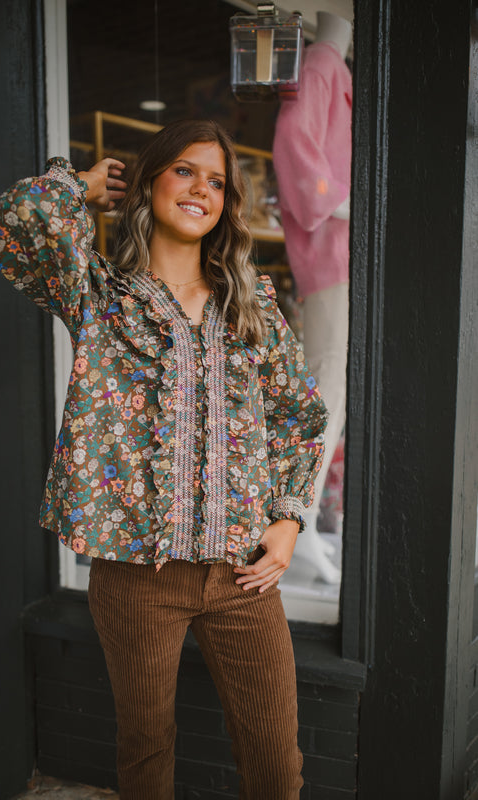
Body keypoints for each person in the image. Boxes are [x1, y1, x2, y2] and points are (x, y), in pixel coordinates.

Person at [0, 119, 327, 800]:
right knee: (144, 750)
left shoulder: (250, 308)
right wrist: (73, 185)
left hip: (242, 576)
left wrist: (285, 520)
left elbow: (299, 420)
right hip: (135, 580)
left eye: (217, 181)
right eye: (184, 170)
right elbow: (7, 230)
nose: (202, 189)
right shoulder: (100, 298)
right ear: (149, 181)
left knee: (274, 759)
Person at [273, 11, 352, 584]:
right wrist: (347, 205)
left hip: (347, 255)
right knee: (326, 385)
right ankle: (290, 519)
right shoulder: (322, 64)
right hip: (333, 255)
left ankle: (300, 520)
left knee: (337, 390)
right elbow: (297, 155)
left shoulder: (337, 68)